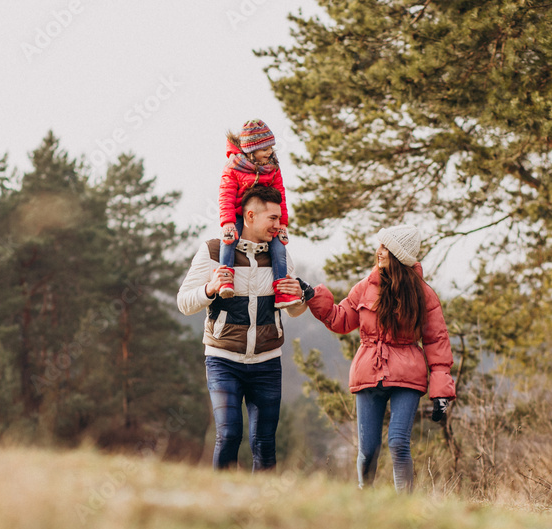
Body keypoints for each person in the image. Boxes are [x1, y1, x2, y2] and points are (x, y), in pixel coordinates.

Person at [300, 225, 456, 492]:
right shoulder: (365, 287)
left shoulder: (423, 295)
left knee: (398, 442)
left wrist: (441, 391)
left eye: (385, 248)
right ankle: (365, 499)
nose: (379, 252)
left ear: (398, 255)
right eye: (380, 246)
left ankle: (405, 508)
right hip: (369, 372)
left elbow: (437, 341)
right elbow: (340, 319)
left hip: (407, 376)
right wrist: (315, 297)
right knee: (369, 449)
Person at [177, 185, 307, 471]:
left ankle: (263, 510)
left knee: (265, 443)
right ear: (249, 216)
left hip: (267, 363)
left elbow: (295, 311)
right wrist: (210, 288)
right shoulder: (213, 251)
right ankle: (220, 502)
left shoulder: (280, 257)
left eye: (279, 218)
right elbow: (184, 303)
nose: (279, 224)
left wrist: (298, 297)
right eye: (272, 218)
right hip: (223, 360)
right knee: (229, 434)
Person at [217, 119, 298, 309]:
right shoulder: (233, 167)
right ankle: (226, 278)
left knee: (279, 248)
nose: (269, 152)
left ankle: (281, 289)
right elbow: (226, 196)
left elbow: (281, 196)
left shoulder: (273, 167)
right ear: (250, 150)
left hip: (264, 218)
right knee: (228, 241)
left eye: (271, 148)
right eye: (264, 149)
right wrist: (228, 222)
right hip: (238, 214)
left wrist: (283, 223)